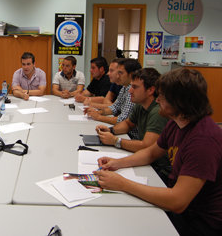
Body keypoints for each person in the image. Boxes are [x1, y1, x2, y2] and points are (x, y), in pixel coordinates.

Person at [95, 68, 222, 236]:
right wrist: (116, 163)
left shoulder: (203, 140)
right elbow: (150, 153)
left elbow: (178, 201)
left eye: (163, 96)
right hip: (183, 210)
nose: (158, 99)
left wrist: (122, 184)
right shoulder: (175, 123)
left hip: (200, 222)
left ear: (180, 102)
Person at [85, 58, 141, 139]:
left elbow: (123, 119)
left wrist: (99, 117)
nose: (117, 76)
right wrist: (98, 113)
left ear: (131, 74)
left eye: (120, 73)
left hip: (130, 136)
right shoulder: (124, 87)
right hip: (123, 133)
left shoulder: (132, 91)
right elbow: (114, 107)